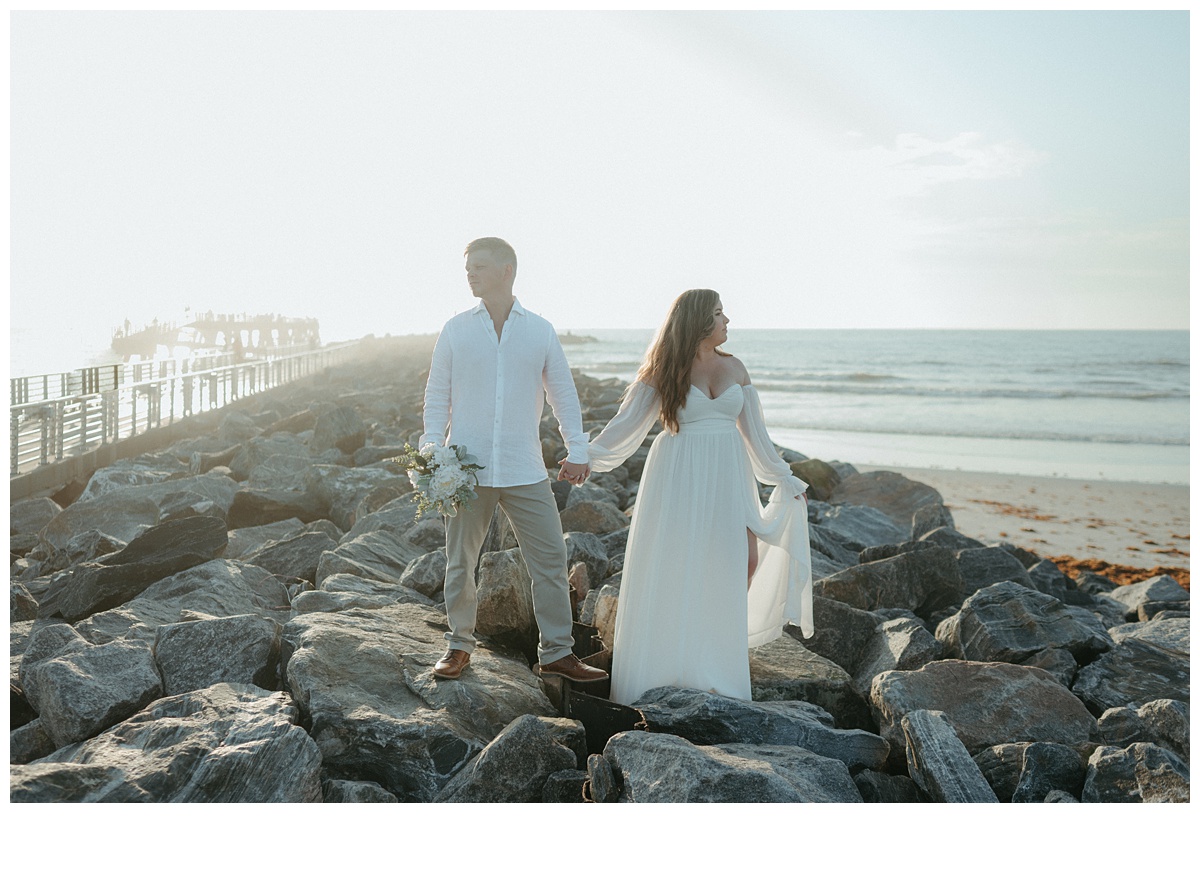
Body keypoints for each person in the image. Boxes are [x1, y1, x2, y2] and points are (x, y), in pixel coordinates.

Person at [586, 288, 813, 705]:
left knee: (741, 561)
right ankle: (668, 669)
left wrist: (784, 479)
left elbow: (756, 437)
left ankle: (713, 663)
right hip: (677, 474)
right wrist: (587, 457)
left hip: (728, 475)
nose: (728, 321)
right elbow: (627, 425)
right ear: (699, 321)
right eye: (720, 313)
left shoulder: (736, 368)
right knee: (675, 566)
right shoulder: (665, 368)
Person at [421, 237, 609, 684]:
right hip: (465, 470)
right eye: (468, 267)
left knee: (549, 558)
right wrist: (431, 449)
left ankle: (558, 653)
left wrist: (577, 450)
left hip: (525, 468)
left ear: (507, 270)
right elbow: (436, 395)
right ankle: (459, 645)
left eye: (480, 266)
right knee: (460, 561)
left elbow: (562, 393)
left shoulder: (540, 330)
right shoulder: (455, 329)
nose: (470, 274)